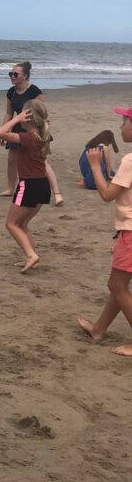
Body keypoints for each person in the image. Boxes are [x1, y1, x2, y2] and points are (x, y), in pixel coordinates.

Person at [77, 107, 132, 357]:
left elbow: (107, 195)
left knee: (117, 285)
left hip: (130, 232)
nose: (120, 127)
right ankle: (99, 328)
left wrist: (96, 166)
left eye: (125, 121)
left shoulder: (130, 161)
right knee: (119, 286)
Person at [0, 99, 51, 273]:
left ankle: (30, 255)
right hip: (42, 185)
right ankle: (31, 256)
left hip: (29, 185)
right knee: (23, 223)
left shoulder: (27, 138)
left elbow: (0, 132)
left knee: (11, 224)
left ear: (28, 118)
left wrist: (15, 119)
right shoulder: (43, 136)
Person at [0, 61, 64, 205]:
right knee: (12, 160)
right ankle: (10, 188)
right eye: (11, 74)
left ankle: (57, 193)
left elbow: (42, 113)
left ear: (25, 76)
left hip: (34, 129)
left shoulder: (34, 92)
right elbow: (9, 113)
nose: (12, 76)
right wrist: (6, 129)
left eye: (16, 74)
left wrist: (43, 133)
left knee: (42, 162)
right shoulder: (11, 91)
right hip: (18, 127)